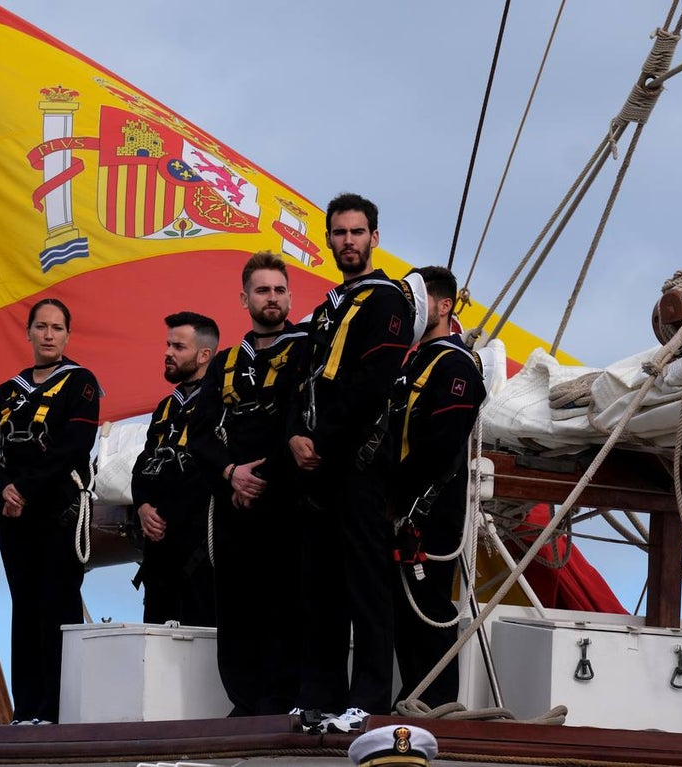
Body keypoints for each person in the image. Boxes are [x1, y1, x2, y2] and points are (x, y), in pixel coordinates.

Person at [289, 193, 416, 732]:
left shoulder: (387, 302)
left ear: (374, 239)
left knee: (366, 584)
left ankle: (369, 699)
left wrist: (320, 438)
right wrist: (295, 435)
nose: (348, 241)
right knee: (320, 585)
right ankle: (319, 695)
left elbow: (372, 383)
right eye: (339, 233)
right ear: (328, 241)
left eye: (357, 232)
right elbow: (302, 377)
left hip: (360, 464)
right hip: (317, 467)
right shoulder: (327, 309)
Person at [189, 251, 309, 715]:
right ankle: (244, 700)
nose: (272, 298)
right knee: (236, 603)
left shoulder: (308, 350)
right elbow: (199, 432)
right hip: (234, 501)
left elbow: (305, 421)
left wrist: (261, 476)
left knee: (287, 600)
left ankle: (282, 699)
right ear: (244, 299)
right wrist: (230, 474)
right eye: (262, 290)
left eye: (279, 290)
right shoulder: (225, 363)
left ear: (290, 297)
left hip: (288, 500)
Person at [0, 298, 101, 725]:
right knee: (25, 610)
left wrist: (25, 489)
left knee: (57, 608)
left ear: (68, 335)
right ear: (28, 332)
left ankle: (56, 711)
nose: (49, 335)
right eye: (41, 327)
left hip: (58, 512)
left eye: (57, 328)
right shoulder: (6, 392)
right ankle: (25, 709)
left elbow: (73, 447)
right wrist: (3, 492)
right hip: (15, 518)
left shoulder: (80, 383)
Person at [387, 266, 486, 709]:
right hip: (400, 507)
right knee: (403, 610)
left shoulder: (455, 364)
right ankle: (414, 698)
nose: (411, 306)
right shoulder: (412, 362)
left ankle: (437, 705)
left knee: (428, 607)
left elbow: (440, 444)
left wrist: (393, 495)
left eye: (419, 298)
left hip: (428, 510)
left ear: (445, 306)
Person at [132, 311, 220, 626]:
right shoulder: (166, 407)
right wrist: (142, 506)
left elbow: (211, 468)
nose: (168, 352)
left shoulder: (221, 402)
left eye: (179, 347)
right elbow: (144, 463)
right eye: (168, 345)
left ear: (204, 355)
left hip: (199, 553)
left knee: (198, 642)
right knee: (155, 644)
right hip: (159, 556)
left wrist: (165, 514)